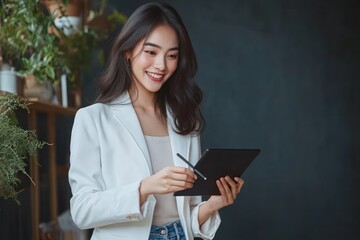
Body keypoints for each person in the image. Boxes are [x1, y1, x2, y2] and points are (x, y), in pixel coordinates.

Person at [68, 2, 245, 240]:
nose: (161, 65)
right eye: (151, 52)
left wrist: (214, 204)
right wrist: (145, 187)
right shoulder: (93, 119)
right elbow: (82, 210)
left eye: (171, 55)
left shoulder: (185, 121)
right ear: (128, 52)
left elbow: (186, 215)